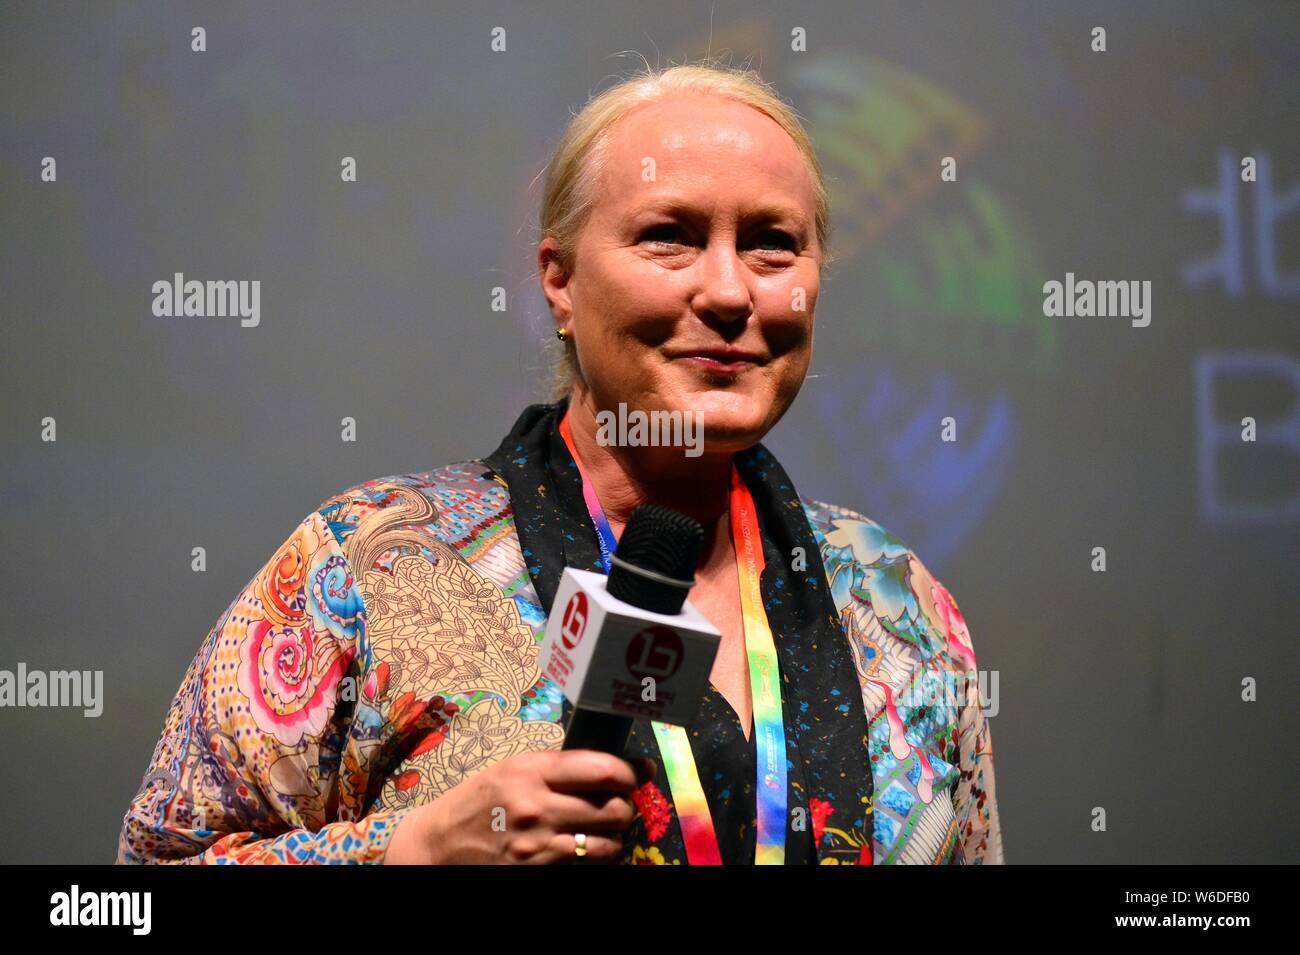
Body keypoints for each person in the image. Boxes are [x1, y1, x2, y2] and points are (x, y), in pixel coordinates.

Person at [117, 60, 1004, 865]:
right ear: (559, 281)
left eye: (774, 241)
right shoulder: (374, 560)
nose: (731, 291)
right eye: (671, 234)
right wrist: (414, 849)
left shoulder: (896, 601)